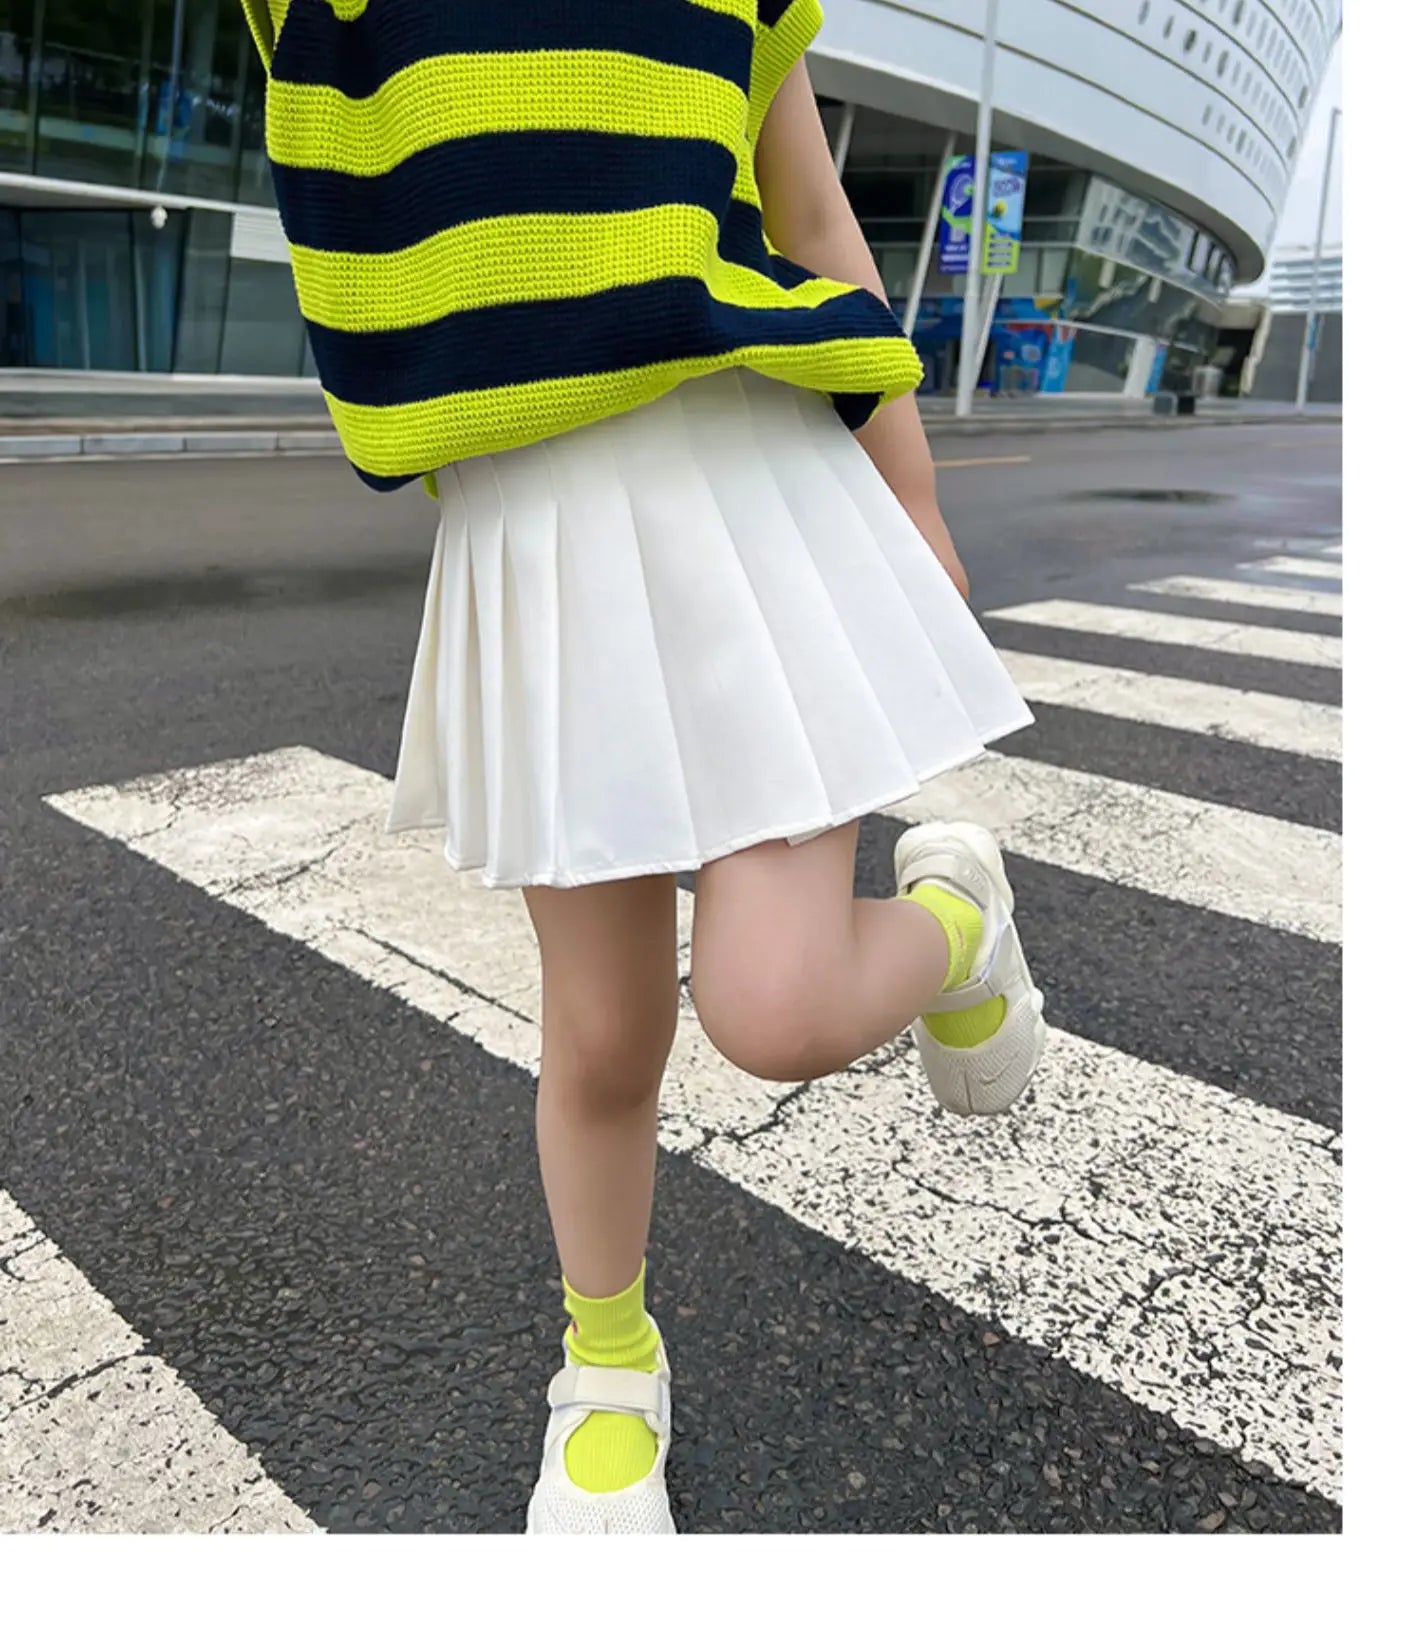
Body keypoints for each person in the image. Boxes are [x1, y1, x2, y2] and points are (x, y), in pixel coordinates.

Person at [240, 0, 1046, 1535]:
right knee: (603, 1031)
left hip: (757, 480)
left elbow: (811, 215)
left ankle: (957, 918)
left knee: (777, 1006)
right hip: (533, 539)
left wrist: (915, 492)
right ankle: (607, 1362)